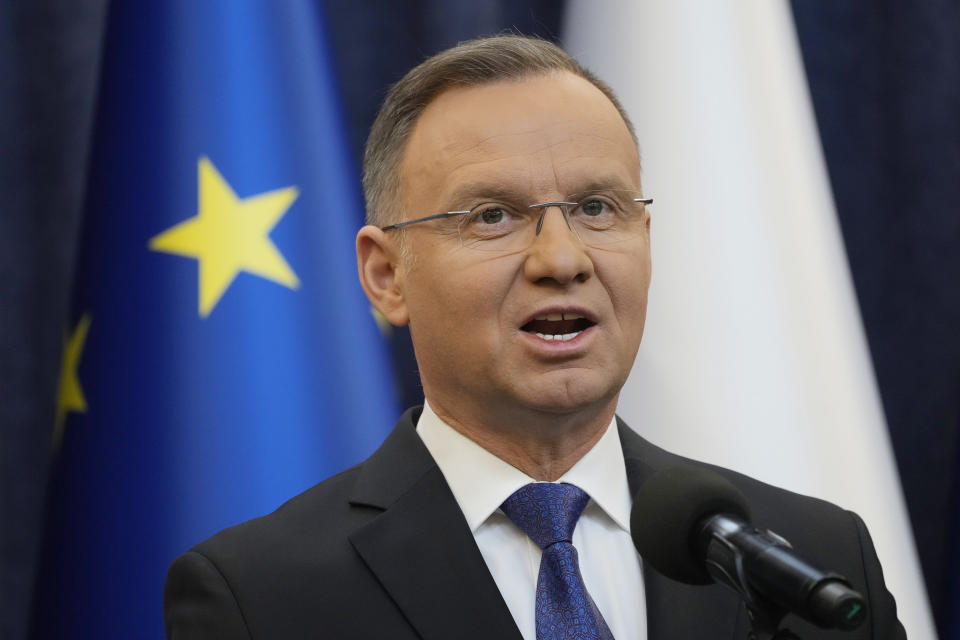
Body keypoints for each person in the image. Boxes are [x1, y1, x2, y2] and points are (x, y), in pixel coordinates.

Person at [163, 35, 905, 639]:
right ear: (387, 274)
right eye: (493, 215)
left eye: (595, 207)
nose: (562, 259)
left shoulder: (814, 559)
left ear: (645, 238)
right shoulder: (259, 598)